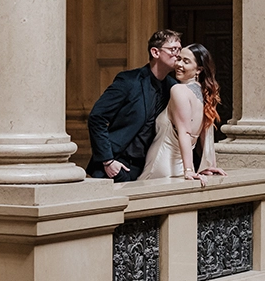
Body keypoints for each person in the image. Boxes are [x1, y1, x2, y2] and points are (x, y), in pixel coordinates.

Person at [87, 30, 183, 182]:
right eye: (173, 49)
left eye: (180, 49)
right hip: (116, 165)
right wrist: (108, 160)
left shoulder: (174, 88)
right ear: (155, 52)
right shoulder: (129, 81)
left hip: (148, 169)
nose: (178, 54)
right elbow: (97, 117)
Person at [139, 43, 227, 184]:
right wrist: (209, 165)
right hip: (182, 166)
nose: (179, 64)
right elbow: (205, 133)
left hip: (162, 162)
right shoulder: (205, 93)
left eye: (186, 61)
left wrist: (189, 170)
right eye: (178, 59)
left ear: (198, 70)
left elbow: (185, 132)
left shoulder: (178, 90)